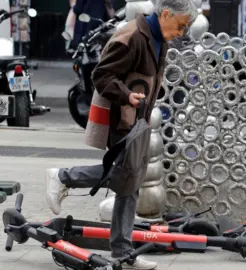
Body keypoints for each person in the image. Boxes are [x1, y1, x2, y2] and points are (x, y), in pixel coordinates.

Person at [45, 0, 198, 269]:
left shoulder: (157, 36)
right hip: (122, 119)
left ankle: (123, 251)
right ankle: (63, 176)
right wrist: (127, 95)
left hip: (136, 119)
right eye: (181, 26)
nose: (182, 32)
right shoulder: (132, 36)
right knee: (127, 177)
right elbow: (101, 76)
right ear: (165, 14)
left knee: (131, 182)